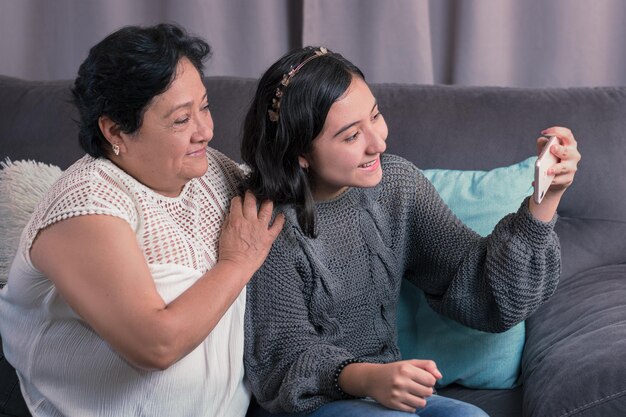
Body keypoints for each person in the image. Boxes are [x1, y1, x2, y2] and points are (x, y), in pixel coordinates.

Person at [241, 46, 581, 416]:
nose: (379, 142)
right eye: (351, 136)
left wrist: (544, 200)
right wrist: (368, 378)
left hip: (385, 396)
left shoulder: (397, 186)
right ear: (299, 153)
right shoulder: (267, 224)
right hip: (311, 405)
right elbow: (283, 358)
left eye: (375, 116)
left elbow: (489, 296)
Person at [0, 24, 283, 417]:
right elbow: (156, 345)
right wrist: (237, 263)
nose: (206, 131)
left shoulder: (212, 170)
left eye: (204, 106)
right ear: (115, 130)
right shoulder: (87, 204)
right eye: (181, 120)